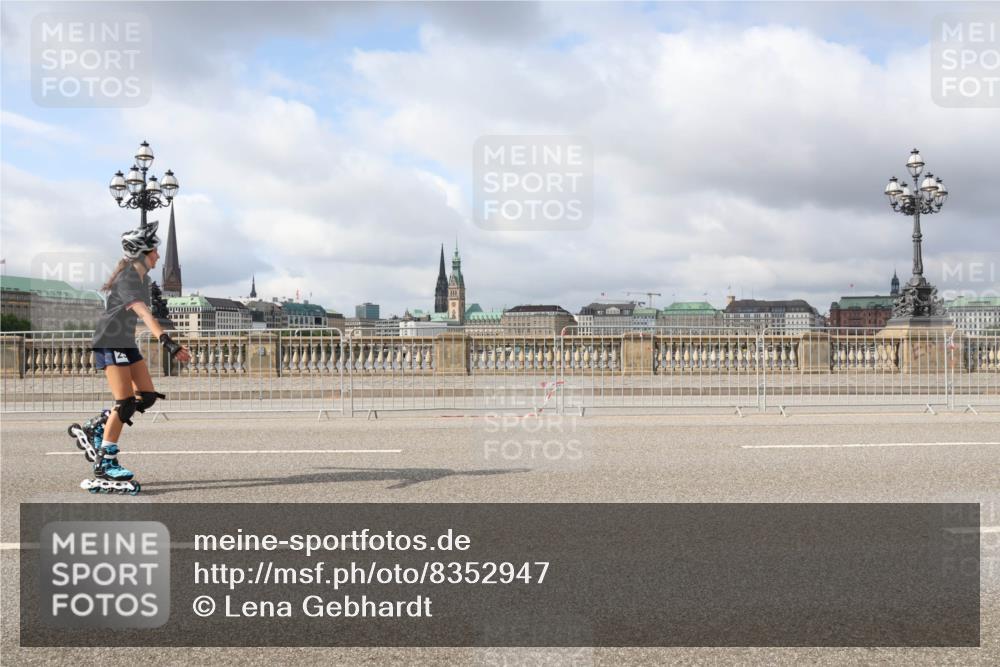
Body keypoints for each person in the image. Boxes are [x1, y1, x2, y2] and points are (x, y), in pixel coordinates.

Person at [68, 221, 191, 494]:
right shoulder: (127, 280)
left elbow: (145, 313)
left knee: (146, 396)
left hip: (125, 342)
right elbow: (145, 314)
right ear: (141, 253)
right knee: (124, 403)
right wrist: (168, 342)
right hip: (110, 342)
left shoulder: (142, 279)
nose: (157, 255)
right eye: (154, 250)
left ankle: (97, 427)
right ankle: (105, 462)